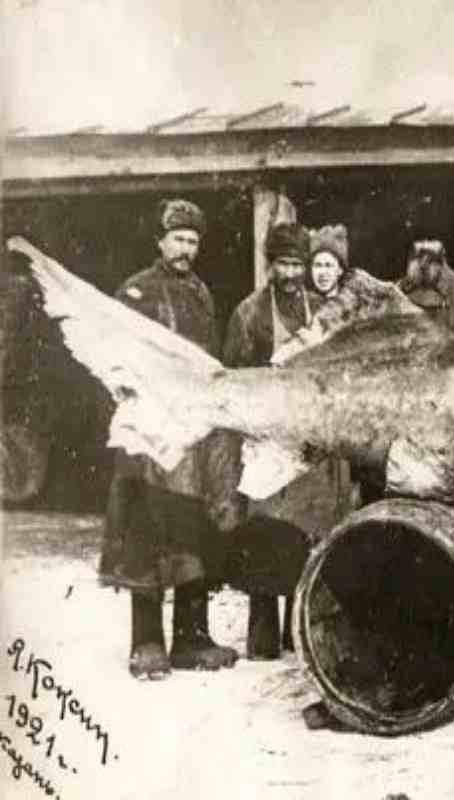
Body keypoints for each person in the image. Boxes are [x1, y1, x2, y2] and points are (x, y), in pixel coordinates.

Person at [100, 198, 239, 679]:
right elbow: (115, 360)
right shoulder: (136, 291)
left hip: (192, 437)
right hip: (150, 436)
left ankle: (191, 639)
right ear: (160, 241)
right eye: (178, 238)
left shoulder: (202, 294)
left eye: (193, 240)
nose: (186, 248)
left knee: (192, 530)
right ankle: (147, 643)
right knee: (146, 532)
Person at [222, 222, 320, 660]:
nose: (292, 272)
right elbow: (236, 374)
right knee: (263, 532)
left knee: (306, 532)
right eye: (284, 263)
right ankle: (263, 637)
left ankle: (296, 634)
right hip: (266, 437)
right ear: (271, 264)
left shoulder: (319, 308)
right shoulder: (249, 312)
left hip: (308, 439)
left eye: (298, 263)